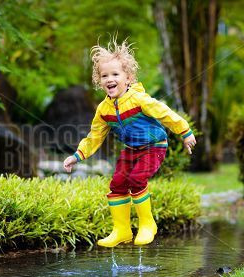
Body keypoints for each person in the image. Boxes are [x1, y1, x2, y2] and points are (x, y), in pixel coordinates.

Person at [63, 39, 196, 247]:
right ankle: (122, 230)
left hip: (154, 146)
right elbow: (94, 136)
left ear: (128, 77)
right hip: (132, 149)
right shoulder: (104, 110)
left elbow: (164, 112)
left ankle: (147, 225)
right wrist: (77, 156)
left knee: (136, 179)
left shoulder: (139, 99)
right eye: (104, 76)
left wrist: (184, 131)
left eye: (115, 74)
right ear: (99, 81)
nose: (110, 79)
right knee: (117, 184)